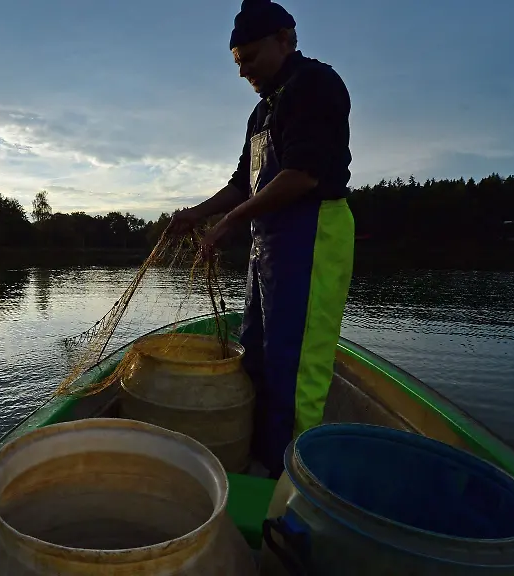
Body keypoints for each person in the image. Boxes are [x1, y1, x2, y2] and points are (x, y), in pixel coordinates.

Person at [168, 0, 355, 478]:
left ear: (285, 39)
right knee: (254, 352)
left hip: (312, 236)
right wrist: (196, 214)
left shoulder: (315, 84)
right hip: (267, 246)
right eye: (237, 61)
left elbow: (301, 175)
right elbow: (242, 184)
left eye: (249, 57)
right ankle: (257, 457)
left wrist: (230, 222)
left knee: (296, 366)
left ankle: (291, 479)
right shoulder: (260, 113)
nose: (242, 71)